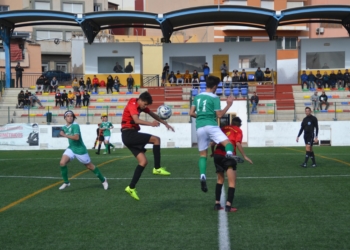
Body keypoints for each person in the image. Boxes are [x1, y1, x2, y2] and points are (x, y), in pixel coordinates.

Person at [189, 76, 243, 193]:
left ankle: (202, 175)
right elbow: (219, 115)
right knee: (228, 143)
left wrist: (202, 116)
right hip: (211, 125)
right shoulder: (215, 97)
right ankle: (229, 154)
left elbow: (191, 113)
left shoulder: (197, 96)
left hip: (199, 127)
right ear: (214, 86)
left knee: (203, 155)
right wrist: (228, 105)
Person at [122, 91, 174, 200]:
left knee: (143, 162)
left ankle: (131, 187)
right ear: (140, 100)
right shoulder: (132, 104)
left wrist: (165, 123)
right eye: (144, 104)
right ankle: (157, 168)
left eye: (146, 105)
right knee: (156, 139)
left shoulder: (141, 106)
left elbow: (152, 114)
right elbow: (136, 119)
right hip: (129, 134)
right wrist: (151, 124)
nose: (145, 106)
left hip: (130, 135)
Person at [58, 110, 108, 190]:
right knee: (62, 163)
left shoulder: (75, 125)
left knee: (89, 166)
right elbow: (62, 129)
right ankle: (66, 182)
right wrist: (62, 131)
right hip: (71, 148)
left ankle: (103, 180)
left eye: (71, 116)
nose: (70, 117)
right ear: (65, 118)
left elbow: (76, 138)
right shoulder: (64, 126)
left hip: (80, 150)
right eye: (68, 116)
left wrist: (65, 135)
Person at [212, 117, 253, 212]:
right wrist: (245, 156)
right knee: (232, 182)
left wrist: (213, 152)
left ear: (231, 122)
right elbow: (238, 144)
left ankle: (217, 204)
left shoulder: (223, 128)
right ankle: (228, 206)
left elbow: (214, 142)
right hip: (229, 156)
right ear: (239, 125)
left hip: (217, 154)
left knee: (220, 180)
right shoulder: (238, 130)